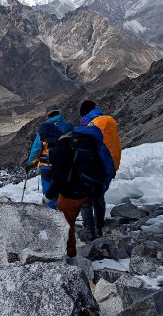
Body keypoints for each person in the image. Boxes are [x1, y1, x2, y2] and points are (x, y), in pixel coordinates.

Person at [76, 100, 121, 240]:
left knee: (85, 199)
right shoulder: (109, 121)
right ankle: (99, 228)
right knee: (99, 196)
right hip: (109, 166)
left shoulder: (93, 124)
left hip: (93, 166)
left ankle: (90, 231)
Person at [27, 109, 73, 207]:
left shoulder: (45, 127)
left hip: (47, 164)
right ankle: (63, 212)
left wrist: (31, 162)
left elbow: (36, 147)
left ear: (48, 116)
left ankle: (51, 213)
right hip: (65, 163)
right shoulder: (68, 126)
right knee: (62, 187)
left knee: (48, 189)